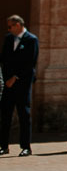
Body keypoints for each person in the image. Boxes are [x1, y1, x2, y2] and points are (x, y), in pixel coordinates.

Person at [0, 15, 37, 157]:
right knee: (5, 115)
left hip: (22, 84)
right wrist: (7, 78)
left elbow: (30, 63)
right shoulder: (8, 39)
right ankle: (3, 145)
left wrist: (15, 77)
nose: (8, 29)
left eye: (10, 26)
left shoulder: (31, 40)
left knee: (24, 115)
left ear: (18, 25)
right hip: (8, 85)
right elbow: (4, 60)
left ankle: (26, 146)